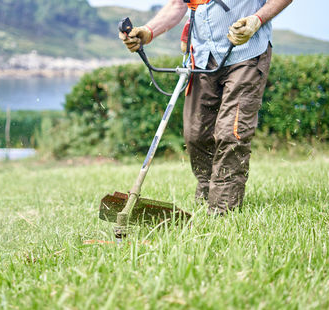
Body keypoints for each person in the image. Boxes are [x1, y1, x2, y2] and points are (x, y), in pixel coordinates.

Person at [119, 0, 292, 216]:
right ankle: (207, 199)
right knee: (196, 134)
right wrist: (147, 31)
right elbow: (177, 4)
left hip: (246, 53)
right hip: (201, 56)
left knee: (231, 133)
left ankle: (222, 211)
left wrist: (257, 20)